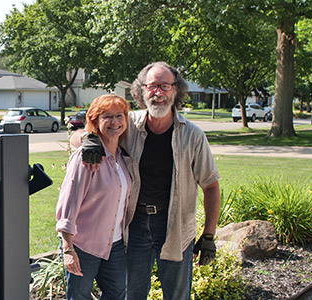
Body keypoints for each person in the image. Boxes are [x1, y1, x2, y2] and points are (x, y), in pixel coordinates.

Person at [75, 62, 221, 300]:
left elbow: (211, 185)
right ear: (141, 91)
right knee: (132, 294)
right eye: (152, 86)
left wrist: (209, 236)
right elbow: (78, 135)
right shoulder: (127, 125)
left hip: (175, 226)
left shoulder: (193, 135)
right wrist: (89, 138)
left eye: (165, 86)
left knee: (177, 295)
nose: (158, 93)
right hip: (135, 225)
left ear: (176, 90)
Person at [56, 94, 132, 300]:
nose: (114, 122)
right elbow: (69, 203)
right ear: (95, 121)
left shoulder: (122, 157)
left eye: (119, 115)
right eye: (106, 117)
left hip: (114, 245)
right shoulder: (87, 156)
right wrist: (68, 249)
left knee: (118, 295)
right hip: (83, 245)